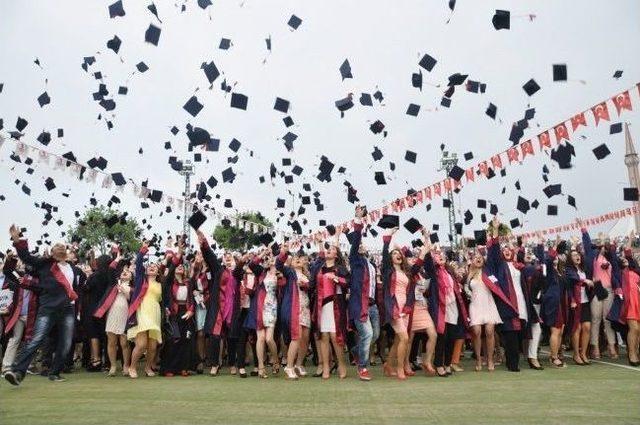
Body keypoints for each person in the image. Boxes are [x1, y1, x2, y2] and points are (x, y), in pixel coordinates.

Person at [4, 224, 81, 385]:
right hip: (48, 308)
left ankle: (55, 373)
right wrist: (18, 239)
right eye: (56, 246)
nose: (60, 248)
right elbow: (26, 257)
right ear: (52, 252)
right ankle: (18, 372)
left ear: (65, 252)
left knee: (66, 343)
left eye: (62, 246)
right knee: (36, 339)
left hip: (68, 308)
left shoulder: (73, 269)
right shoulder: (45, 264)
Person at [422, 228, 469, 377]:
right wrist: (426, 238)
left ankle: (448, 363)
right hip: (441, 308)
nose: (440, 255)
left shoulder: (449, 272)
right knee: (442, 337)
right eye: (437, 254)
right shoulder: (432, 272)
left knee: (452, 337)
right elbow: (427, 259)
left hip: (453, 307)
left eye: (441, 253)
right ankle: (438, 365)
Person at [310, 231, 350, 379]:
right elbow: (312, 284)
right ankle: (326, 366)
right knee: (324, 336)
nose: (329, 250)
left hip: (336, 305)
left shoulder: (340, 269)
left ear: (337, 255)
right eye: (328, 248)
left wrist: (337, 278)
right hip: (321, 306)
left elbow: (348, 283)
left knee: (335, 336)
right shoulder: (319, 267)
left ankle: (341, 364)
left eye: (333, 249)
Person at [346, 205, 378, 381]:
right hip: (360, 304)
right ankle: (362, 367)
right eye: (358, 245)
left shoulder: (370, 264)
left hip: (373, 306)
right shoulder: (356, 260)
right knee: (367, 334)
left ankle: (356, 351)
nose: (361, 246)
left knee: (376, 334)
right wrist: (358, 219)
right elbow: (356, 239)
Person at [581, 226, 621, 359]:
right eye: (601, 243)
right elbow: (587, 246)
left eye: (605, 243)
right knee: (595, 320)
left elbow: (616, 273)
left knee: (608, 320)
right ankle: (595, 347)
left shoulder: (612, 258)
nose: (603, 245)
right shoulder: (593, 255)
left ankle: (611, 346)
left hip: (609, 290)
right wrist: (584, 231)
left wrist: (618, 288)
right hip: (597, 290)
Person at [126, 241, 163, 379]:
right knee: (141, 344)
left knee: (152, 346)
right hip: (142, 312)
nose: (152, 267)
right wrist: (144, 248)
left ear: (158, 271)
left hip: (155, 313)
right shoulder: (141, 279)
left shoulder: (161, 284)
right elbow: (139, 262)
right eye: (150, 266)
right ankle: (132, 367)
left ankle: (148, 368)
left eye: (155, 267)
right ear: (146, 270)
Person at [92, 252, 132, 376]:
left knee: (124, 342)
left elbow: (133, 300)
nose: (125, 272)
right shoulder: (113, 284)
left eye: (128, 271)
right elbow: (110, 270)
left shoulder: (133, 287)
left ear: (132, 276)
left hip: (126, 315)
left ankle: (126, 365)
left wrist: (126, 292)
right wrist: (118, 258)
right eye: (123, 270)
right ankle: (113, 366)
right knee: (111, 341)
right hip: (112, 314)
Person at [244, 248, 280, 378]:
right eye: (267, 258)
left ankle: (275, 360)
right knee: (261, 338)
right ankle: (261, 367)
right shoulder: (261, 273)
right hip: (260, 307)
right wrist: (263, 253)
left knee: (270, 339)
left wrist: (277, 266)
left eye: (271, 257)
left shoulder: (280, 273)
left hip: (272, 308)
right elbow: (252, 264)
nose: (269, 259)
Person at [160, 250, 195, 377]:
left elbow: (192, 298)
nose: (180, 266)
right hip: (173, 314)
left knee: (186, 340)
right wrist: (179, 252)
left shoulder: (189, 282)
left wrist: (191, 310)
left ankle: (183, 368)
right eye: (177, 266)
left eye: (182, 266)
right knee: (174, 340)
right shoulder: (169, 282)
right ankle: (168, 368)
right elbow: (171, 267)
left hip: (186, 313)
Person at [465, 251, 502, 372]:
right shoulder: (469, 275)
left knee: (490, 331)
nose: (478, 259)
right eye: (475, 257)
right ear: (472, 261)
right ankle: (479, 360)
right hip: (475, 305)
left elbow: (497, 285)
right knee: (476, 331)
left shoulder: (488, 272)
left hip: (489, 304)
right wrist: (467, 292)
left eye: (480, 257)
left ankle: (490, 359)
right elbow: (466, 289)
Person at [1, 254, 37, 375]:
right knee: (14, 339)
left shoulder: (39, 280)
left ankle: (29, 365)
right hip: (18, 314)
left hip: (33, 315)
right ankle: (6, 366)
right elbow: (7, 270)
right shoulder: (19, 276)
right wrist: (11, 259)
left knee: (31, 341)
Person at [540, 245, 569, 367]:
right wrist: (555, 248)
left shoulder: (560, 271)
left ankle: (556, 354)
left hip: (560, 303)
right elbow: (549, 259)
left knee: (560, 331)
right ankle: (553, 357)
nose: (556, 258)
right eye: (554, 257)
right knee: (555, 330)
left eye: (557, 257)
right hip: (552, 303)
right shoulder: (549, 270)